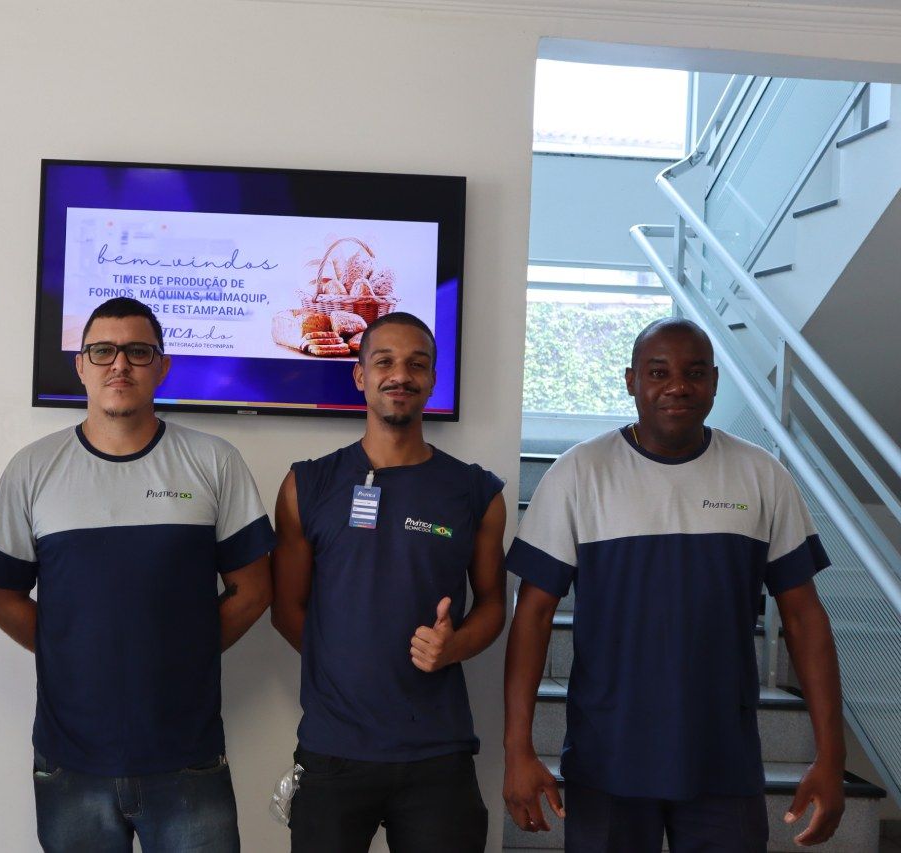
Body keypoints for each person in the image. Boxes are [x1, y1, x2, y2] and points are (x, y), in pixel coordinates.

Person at [503, 318, 846, 851]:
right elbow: (533, 615)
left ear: (714, 381)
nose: (677, 385)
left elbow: (804, 619)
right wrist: (517, 750)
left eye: (694, 372)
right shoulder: (578, 474)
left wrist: (831, 757)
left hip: (722, 761)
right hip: (607, 760)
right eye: (657, 372)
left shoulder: (762, 475)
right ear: (630, 380)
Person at [0, 297, 274, 853]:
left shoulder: (214, 462)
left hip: (188, 757)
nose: (120, 365)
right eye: (103, 351)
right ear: (81, 366)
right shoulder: (33, 469)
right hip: (70, 761)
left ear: (163, 367)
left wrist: (188, 651)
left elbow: (253, 591)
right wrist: (71, 653)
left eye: (138, 351)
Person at [271, 312, 507, 852]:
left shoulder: (475, 492)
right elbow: (285, 607)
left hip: (437, 754)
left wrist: (456, 646)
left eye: (416, 364)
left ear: (432, 379)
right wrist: (344, 664)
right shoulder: (307, 484)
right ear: (359, 375)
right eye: (384, 362)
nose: (400, 375)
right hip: (333, 751)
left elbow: (495, 602)